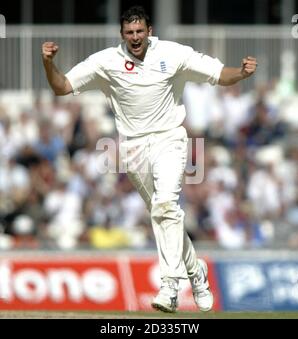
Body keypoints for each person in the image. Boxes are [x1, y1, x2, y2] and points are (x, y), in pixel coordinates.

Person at [42, 5, 257, 313]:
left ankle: (170, 285)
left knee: (166, 205)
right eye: (129, 33)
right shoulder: (106, 62)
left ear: (149, 31)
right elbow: (62, 87)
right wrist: (48, 63)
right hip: (132, 148)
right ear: (121, 35)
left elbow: (219, 75)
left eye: (140, 31)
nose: (135, 37)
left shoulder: (173, 54)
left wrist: (242, 72)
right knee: (162, 213)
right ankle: (197, 274)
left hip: (169, 138)